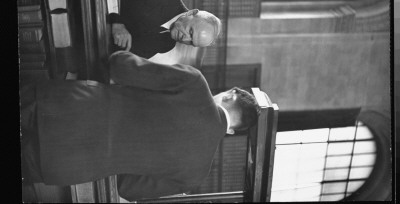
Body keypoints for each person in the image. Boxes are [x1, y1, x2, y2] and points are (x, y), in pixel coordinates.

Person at [21, 51, 260, 201]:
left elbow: (120, 66)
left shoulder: (196, 84)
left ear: (230, 95)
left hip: (64, 107)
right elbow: (127, 188)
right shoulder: (195, 175)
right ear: (232, 131)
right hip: (64, 162)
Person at [109, 0, 222, 59]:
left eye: (191, 43)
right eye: (191, 32)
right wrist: (117, 22)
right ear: (190, 13)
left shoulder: (166, 45)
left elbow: (127, 56)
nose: (185, 39)